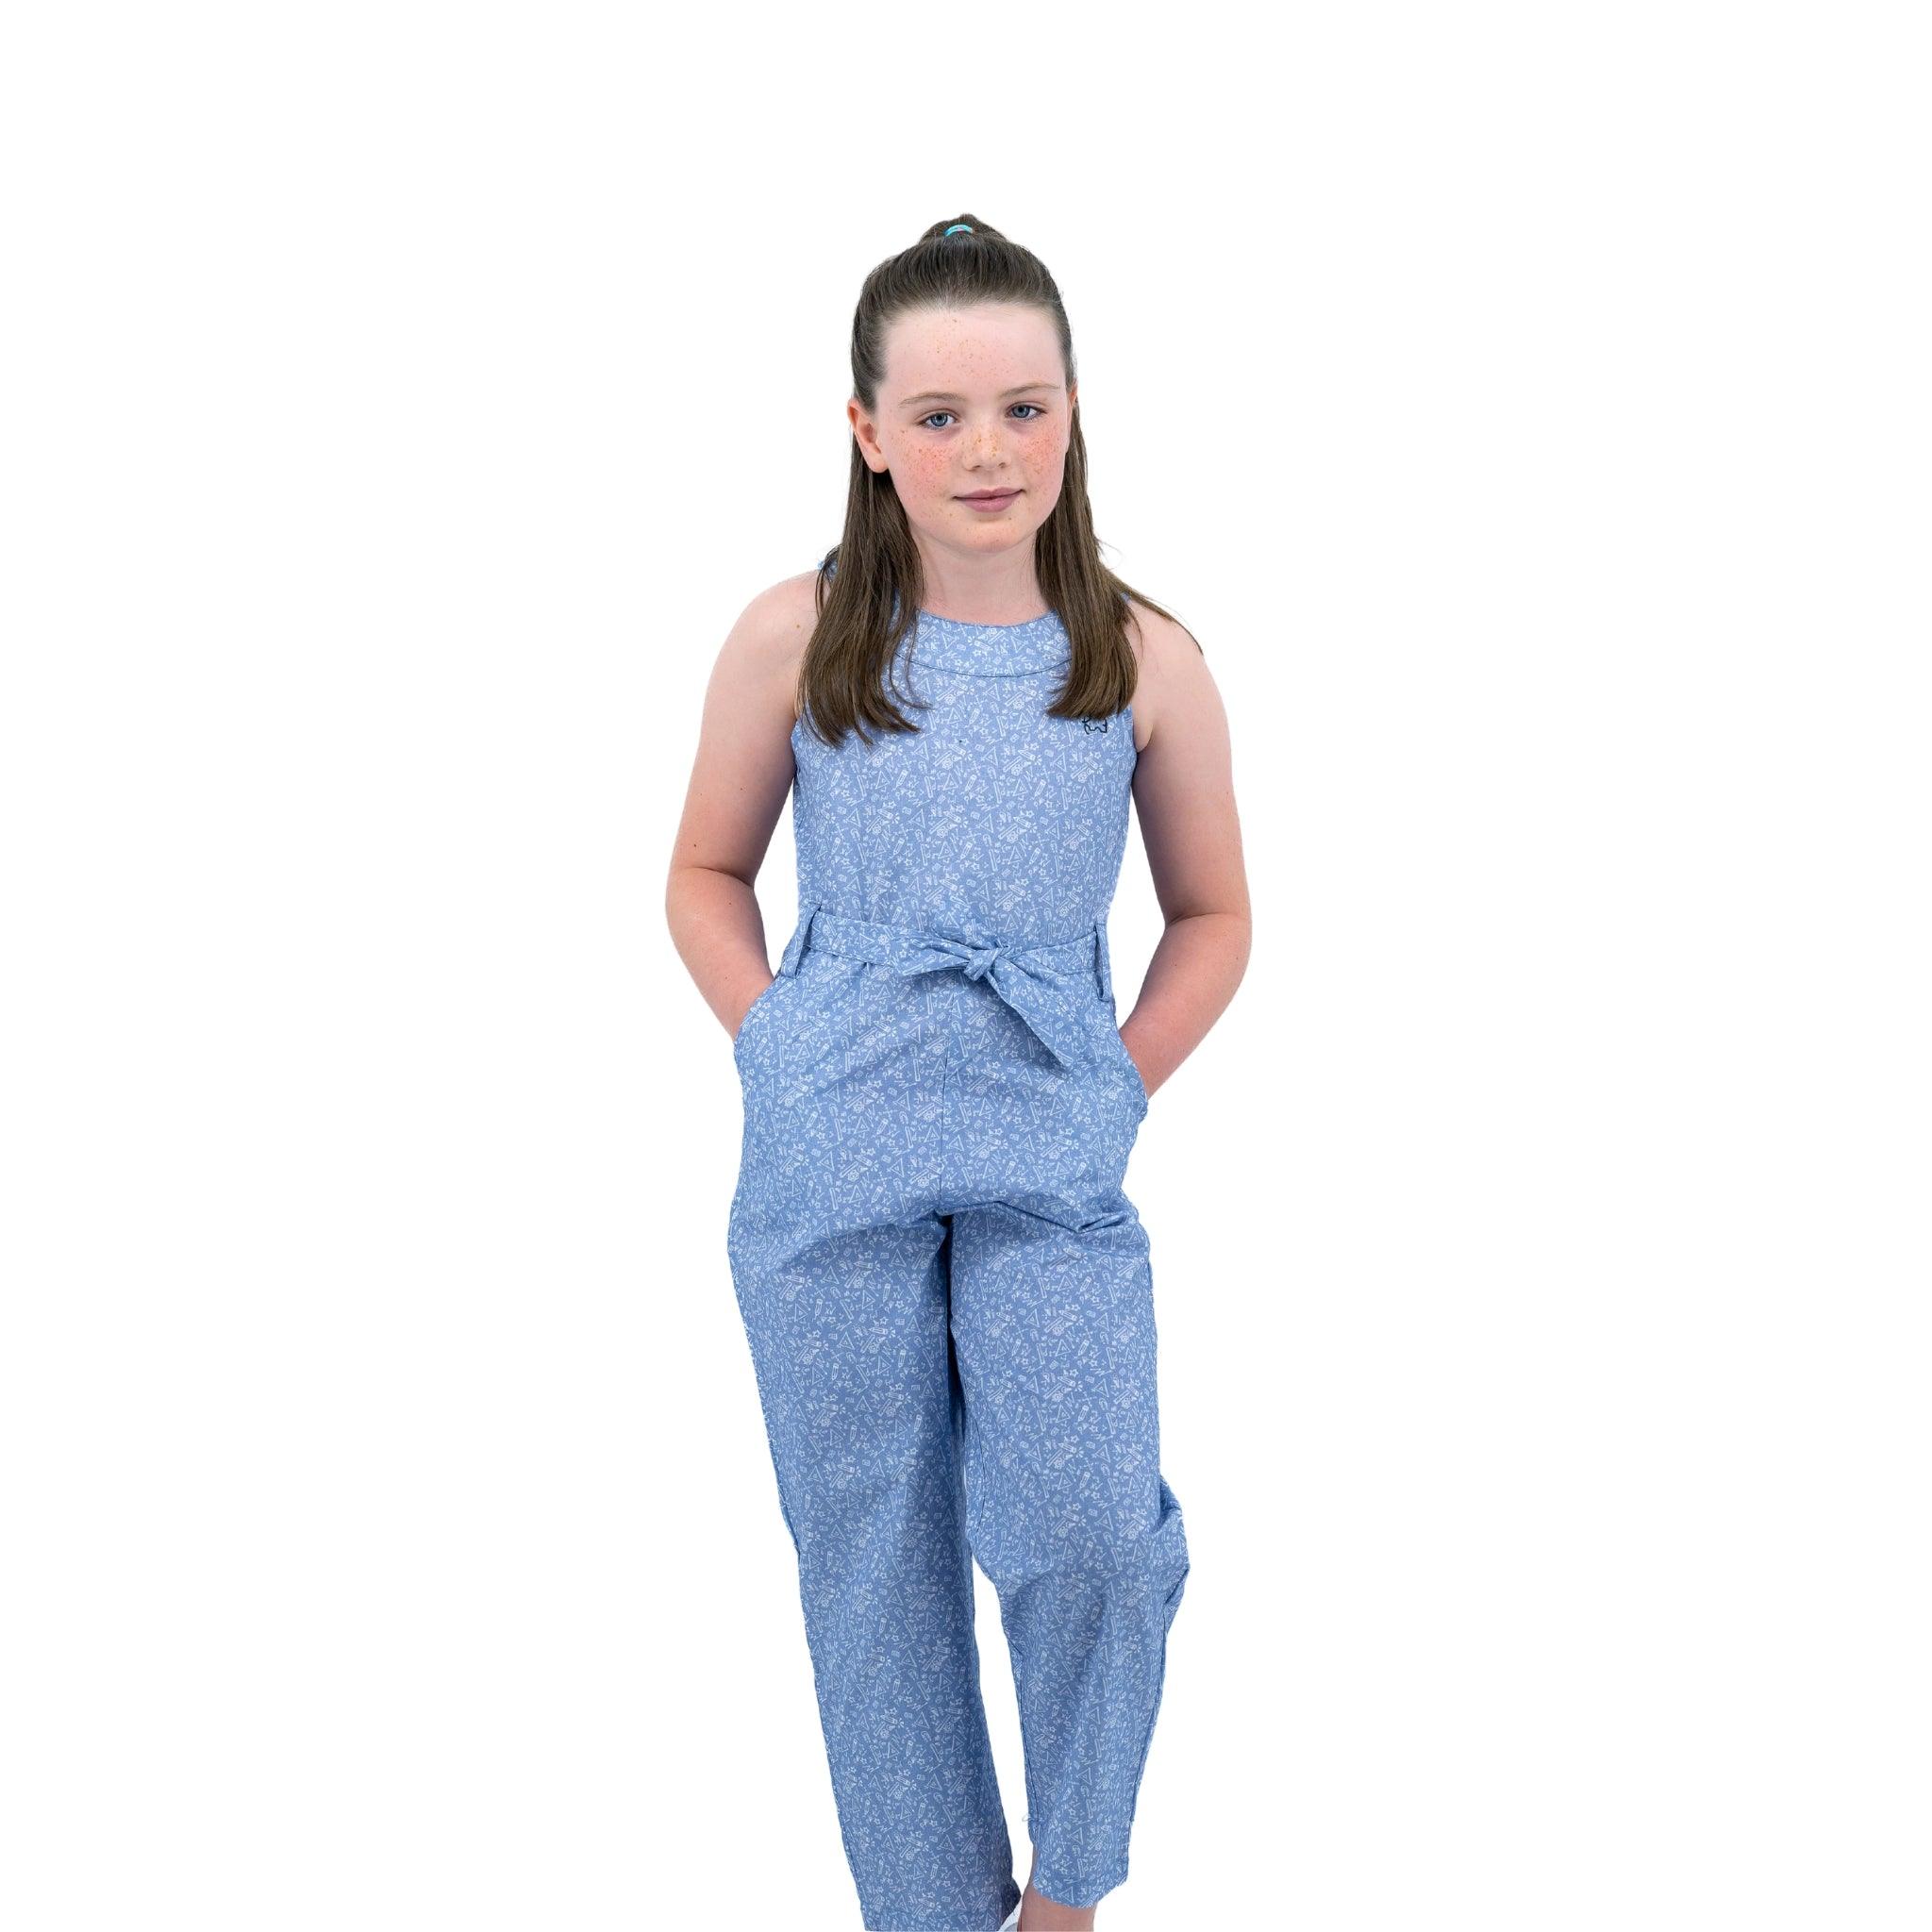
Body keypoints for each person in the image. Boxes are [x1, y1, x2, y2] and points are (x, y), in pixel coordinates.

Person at [667, 216, 1251, 1932]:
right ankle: (925, 1914)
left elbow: (1215, 913)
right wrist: (776, 1038)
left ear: (1074, 414)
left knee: (1086, 1528)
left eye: (1022, 408)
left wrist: (1112, 1081)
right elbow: (702, 873)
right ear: (866, 433)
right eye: (936, 416)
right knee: (875, 1562)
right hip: (830, 1137)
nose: (986, 450)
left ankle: (1066, 1895)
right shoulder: (804, 631)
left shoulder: (1141, 655)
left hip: (1043, 1142)